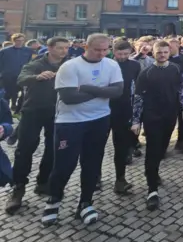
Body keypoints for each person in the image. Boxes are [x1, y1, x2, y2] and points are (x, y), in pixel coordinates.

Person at [41, 34, 124, 227]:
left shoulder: (111, 65)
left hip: (99, 119)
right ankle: (54, 200)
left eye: (106, 50)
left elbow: (118, 91)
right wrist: (101, 90)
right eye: (97, 50)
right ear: (86, 46)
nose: (102, 53)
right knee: (64, 164)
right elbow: (69, 97)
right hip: (70, 121)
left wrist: (87, 88)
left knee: (93, 163)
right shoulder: (70, 66)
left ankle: (85, 202)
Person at [5, 37, 69, 214]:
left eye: (66, 48)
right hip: (33, 111)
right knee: (25, 149)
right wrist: (37, 77)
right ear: (49, 48)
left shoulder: (69, 64)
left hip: (58, 112)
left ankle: (43, 182)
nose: (64, 51)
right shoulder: (36, 63)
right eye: (60, 48)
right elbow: (22, 78)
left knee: (53, 149)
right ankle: (18, 188)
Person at [131, 40, 183, 210]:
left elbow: (180, 90)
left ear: (169, 52)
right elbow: (138, 98)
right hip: (152, 115)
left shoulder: (175, 69)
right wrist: (136, 121)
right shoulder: (146, 73)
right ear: (153, 53)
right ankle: (152, 189)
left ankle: (152, 171)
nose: (162, 55)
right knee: (153, 149)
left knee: (162, 148)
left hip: (170, 115)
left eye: (165, 52)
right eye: (159, 52)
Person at [110, 40, 141, 195]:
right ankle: (96, 177)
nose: (122, 57)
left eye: (126, 54)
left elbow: (139, 86)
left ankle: (120, 179)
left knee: (120, 146)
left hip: (125, 109)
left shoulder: (135, 65)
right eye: (119, 54)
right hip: (105, 109)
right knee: (96, 146)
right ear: (113, 52)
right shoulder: (107, 64)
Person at [0, 33, 34, 111]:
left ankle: (18, 109)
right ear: (13, 41)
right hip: (8, 76)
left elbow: (31, 62)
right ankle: (5, 110)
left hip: (23, 75)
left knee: (23, 93)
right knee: (7, 93)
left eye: (22, 40)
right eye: (18, 41)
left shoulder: (28, 51)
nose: (20, 42)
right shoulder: (5, 51)